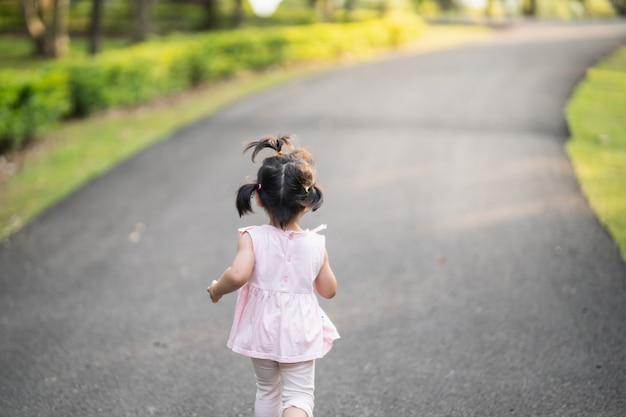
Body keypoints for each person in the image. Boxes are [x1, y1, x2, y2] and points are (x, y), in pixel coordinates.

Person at [207, 134, 339, 417]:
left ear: (258, 197)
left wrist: (218, 289)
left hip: (261, 326)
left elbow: (239, 274)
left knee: (267, 389)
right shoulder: (316, 244)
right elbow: (328, 290)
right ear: (307, 201)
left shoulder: (252, 238)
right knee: (299, 395)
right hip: (300, 330)